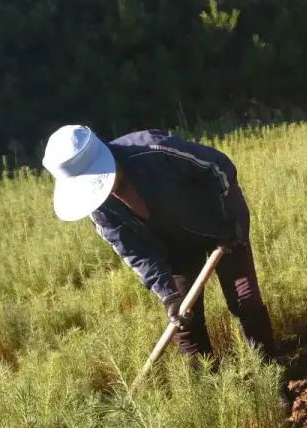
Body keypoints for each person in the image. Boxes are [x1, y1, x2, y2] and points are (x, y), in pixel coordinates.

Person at [41, 124, 278, 365]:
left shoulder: (154, 151)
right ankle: (208, 391)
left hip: (223, 227)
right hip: (175, 252)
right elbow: (134, 252)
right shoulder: (98, 208)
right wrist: (168, 295)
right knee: (185, 323)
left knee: (245, 301)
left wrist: (230, 218)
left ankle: (272, 375)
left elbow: (218, 166)